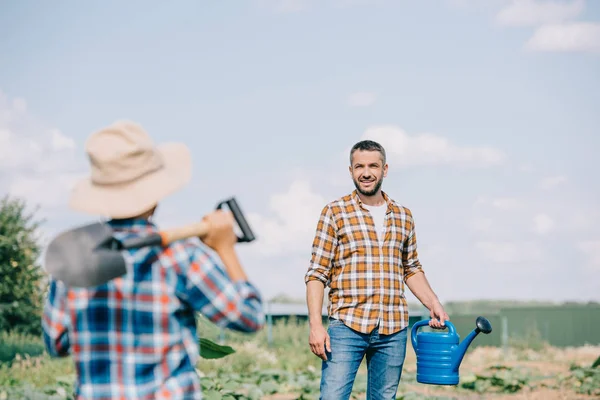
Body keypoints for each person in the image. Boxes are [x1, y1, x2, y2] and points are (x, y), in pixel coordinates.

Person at [41, 120, 265, 399]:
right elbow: (249, 317)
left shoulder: (74, 261)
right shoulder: (181, 258)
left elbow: (56, 343)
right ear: (156, 193)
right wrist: (226, 248)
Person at [305, 139, 449, 399]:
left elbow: (411, 268)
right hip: (347, 326)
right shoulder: (335, 212)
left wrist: (433, 302)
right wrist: (316, 325)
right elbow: (317, 273)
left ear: (385, 169)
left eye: (373, 165)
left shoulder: (403, 215)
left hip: (393, 328)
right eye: (359, 166)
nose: (366, 172)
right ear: (351, 171)